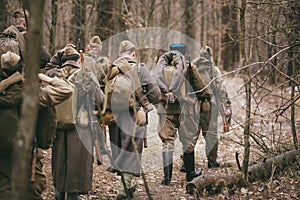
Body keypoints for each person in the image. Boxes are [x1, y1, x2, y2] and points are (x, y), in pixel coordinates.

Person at [0, 51, 73, 200]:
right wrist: (43, 77)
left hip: (3, 153)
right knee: (32, 191)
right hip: (27, 154)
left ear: (3, 72)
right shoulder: (32, 94)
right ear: (22, 69)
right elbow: (66, 89)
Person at [46, 44, 104, 200]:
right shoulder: (85, 74)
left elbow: (47, 65)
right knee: (75, 165)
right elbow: (101, 99)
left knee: (60, 163)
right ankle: (72, 196)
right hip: (81, 127)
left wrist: (59, 53)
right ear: (78, 60)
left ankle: (59, 194)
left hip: (58, 125)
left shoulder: (53, 75)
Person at [105, 40, 159, 200]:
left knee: (120, 150)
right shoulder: (141, 69)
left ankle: (127, 186)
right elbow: (155, 94)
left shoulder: (112, 69)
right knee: (132, 152)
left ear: (120, 54)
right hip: (135, 116)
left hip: (114, 116)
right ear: (134, 53)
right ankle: (123, 191)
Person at [155, 43, 211, 185]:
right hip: (185, 109)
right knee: (188, 141)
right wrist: (206, 96)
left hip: (166, 110)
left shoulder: (160, 69)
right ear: (184, 53)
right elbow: (201, 88)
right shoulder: (189, 67)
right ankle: (190, 174)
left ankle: (167, 178)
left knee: (167, 141)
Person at [191, 46, 231, 168]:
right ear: (211, 57)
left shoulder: (193, 68)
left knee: (191, 134)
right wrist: (226, 105)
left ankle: (187, 164)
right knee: (211, 134)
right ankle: (212, 161)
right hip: (209, 106)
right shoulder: (214, 70)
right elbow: (221, 89)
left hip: (193, 106)